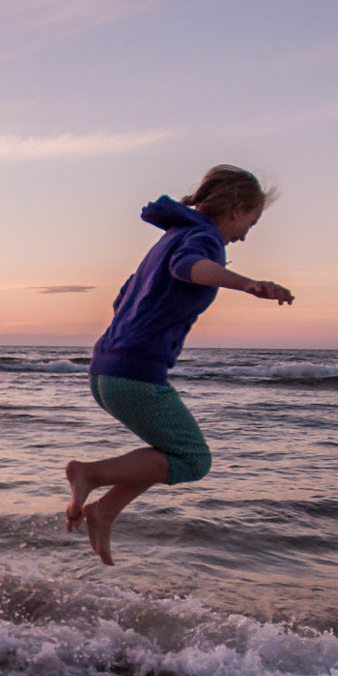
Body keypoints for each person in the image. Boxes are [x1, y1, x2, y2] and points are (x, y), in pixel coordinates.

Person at [65, 164, 294, 565]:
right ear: (237, 209)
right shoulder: (203, 237)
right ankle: (91, 475)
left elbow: (123, 299)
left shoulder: (171, 237)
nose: (243, 236)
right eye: (250, 223)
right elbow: (189, 268)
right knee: (193, 459)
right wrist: (247, 284)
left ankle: (105, 511)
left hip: (105, 370)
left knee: (165, 452)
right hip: (136, 374)